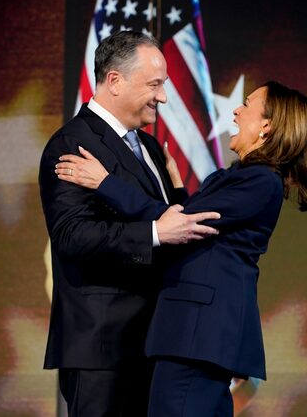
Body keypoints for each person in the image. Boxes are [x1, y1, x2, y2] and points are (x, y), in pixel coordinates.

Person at [55, 81, 307, 417]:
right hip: (195, 336)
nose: (236, 110)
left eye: (247, 104)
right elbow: (201, 230)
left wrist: (105, 183)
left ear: (266, 126)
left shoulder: (260, 181)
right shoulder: (241, 177)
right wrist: (175, 186)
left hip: (195, 336)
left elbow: (183, 223)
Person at [39, 30, 221, 417]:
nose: (164, 97)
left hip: (153, 340)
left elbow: (174, 224)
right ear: (114, 81)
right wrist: (154, 234)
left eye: (166, 85)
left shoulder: (151, 147)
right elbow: (72, 236)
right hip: (103, 347)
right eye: (154, 85)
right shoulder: (72, 144)